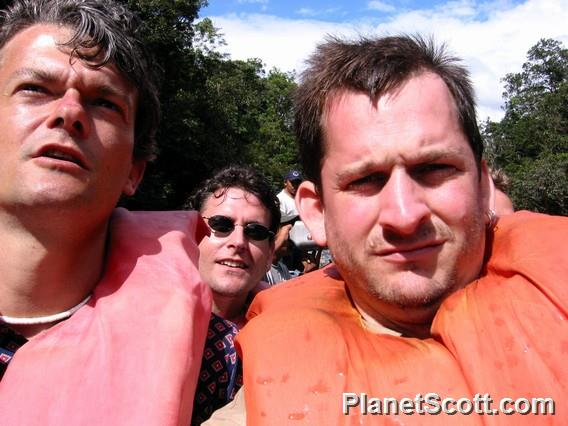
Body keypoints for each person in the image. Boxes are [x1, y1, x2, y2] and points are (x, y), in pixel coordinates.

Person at [235, 35, 568, 424]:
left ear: (482, 186)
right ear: (317, 211)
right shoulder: (255, 404)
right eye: (365, 179)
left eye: (434, 168)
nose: (405, 214)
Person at [0, 1, 211, 424]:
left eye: (104, 104)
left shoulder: (214, 358)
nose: (69, 113)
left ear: (134, 172)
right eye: (35, 89)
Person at [186, 165, 279, 424]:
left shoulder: (287, 330)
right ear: (192, 236)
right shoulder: (138, 318)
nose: (238, 242)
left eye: (255, 232)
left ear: (271, 253)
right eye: (221, 225)